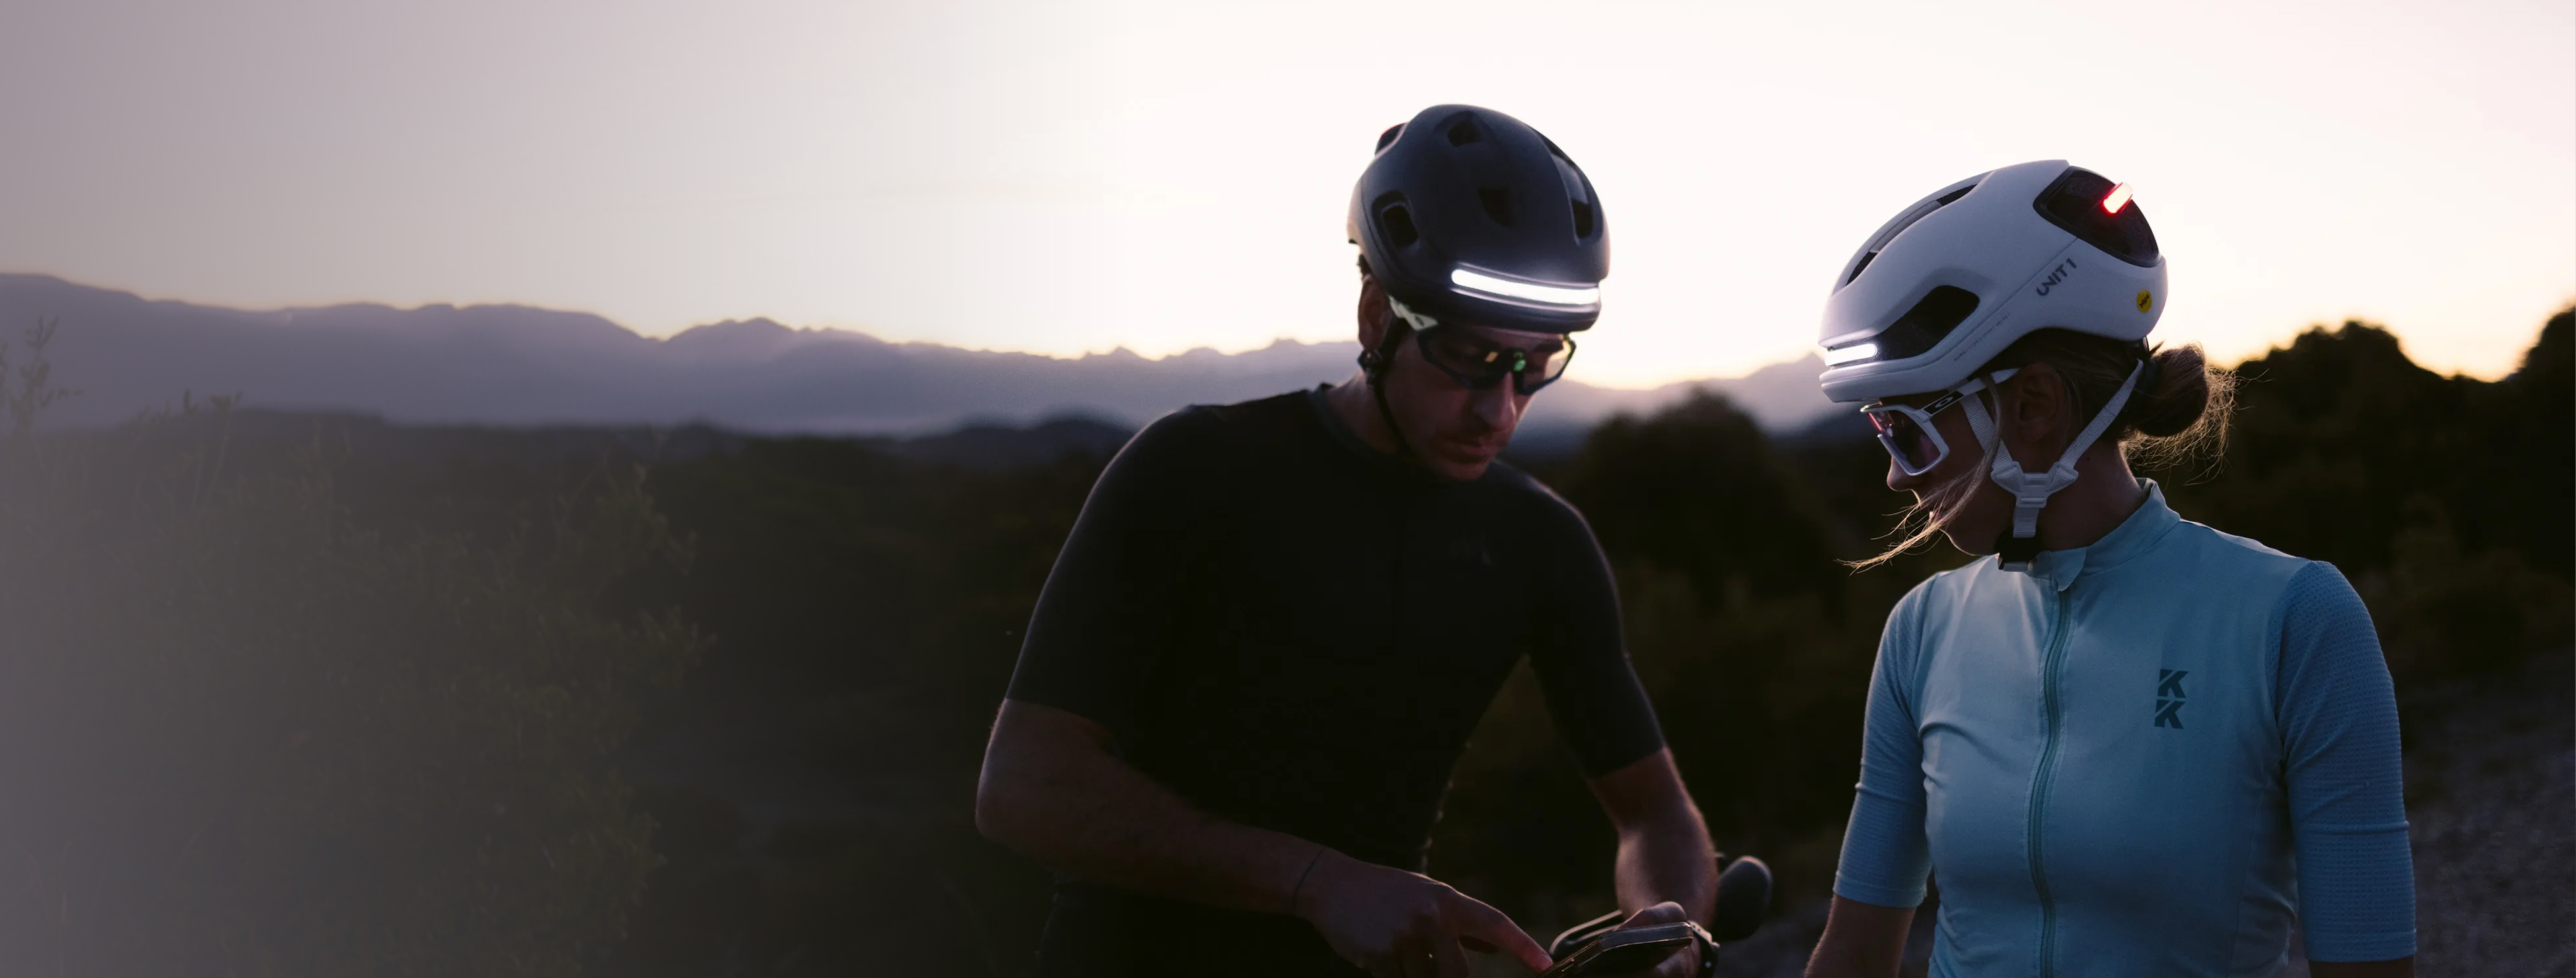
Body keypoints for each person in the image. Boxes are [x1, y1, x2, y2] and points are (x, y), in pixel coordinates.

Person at [974, 104, 1720, 978]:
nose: (1500, 410)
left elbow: (1654, 814)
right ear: (1377, 317)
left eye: (1535, 365)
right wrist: (1315, 882)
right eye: (1471, 359)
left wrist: (1669, 930)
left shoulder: (1540, 542)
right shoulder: (1196, 469)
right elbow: (1022, 785)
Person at [1797, 161, 2416, 978]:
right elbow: (1851, 954)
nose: (1896, 475)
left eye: (1904, 430)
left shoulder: (2295, 621)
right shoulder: (1921, 630)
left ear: (2033, 407)